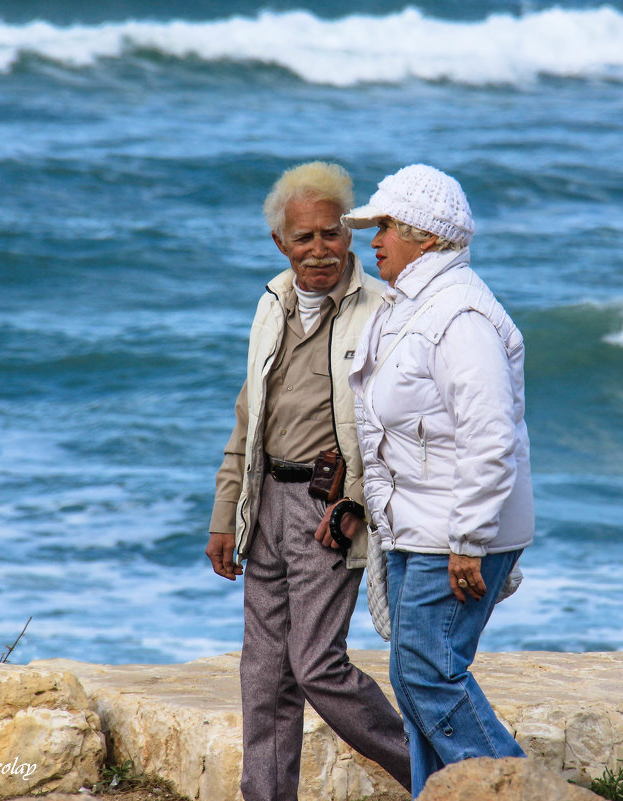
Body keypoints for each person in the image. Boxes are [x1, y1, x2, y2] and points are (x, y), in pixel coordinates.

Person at [205, 161, 411, 801]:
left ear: (348, 234)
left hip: (328, 507)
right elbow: (250, 416)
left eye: (331, 233)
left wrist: (356, 500)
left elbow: (394, 426)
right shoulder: (271, 302)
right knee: (264, 672)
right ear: (281, 244)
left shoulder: (381, 309)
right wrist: (225, 511)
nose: (319, 249)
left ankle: (434, 774)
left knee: (318, 665)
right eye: (305, 238)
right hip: (264, 502)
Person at [341, 163, 535, 798]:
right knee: (416, 675)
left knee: (427, 676)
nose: (374, 241)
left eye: (387, 227)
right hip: (417, 529)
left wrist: (468, 540)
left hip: (451, 533)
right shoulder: (411, 307)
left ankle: (518, 789)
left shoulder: (460, 316)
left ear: (426, 236)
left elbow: (490, 438)